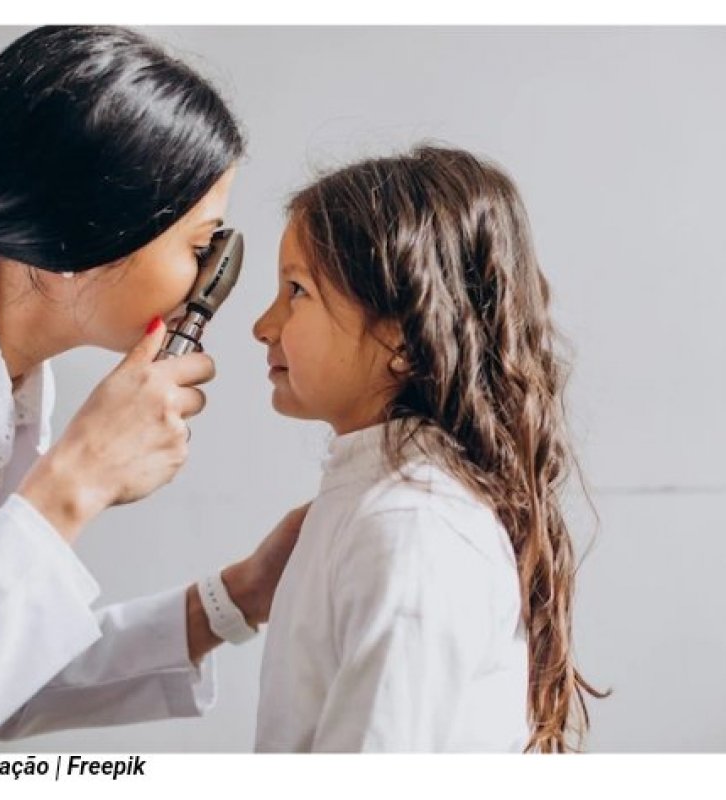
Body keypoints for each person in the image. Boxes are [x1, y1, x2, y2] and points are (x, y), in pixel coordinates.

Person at [0, 25, 305, 753]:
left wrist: (237, 598)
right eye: (198, 246)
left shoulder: (19, 382)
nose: (209, 282)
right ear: (83, 234)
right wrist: (76, 481)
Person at [250, 145, 606, 753]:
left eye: (297, 291)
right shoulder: (380, 508)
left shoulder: (409, 529)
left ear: (402, 334)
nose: (264, 324)